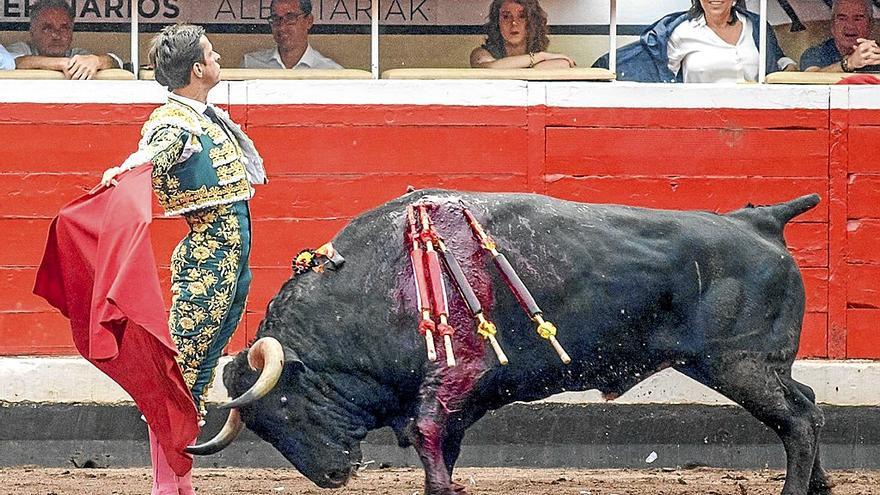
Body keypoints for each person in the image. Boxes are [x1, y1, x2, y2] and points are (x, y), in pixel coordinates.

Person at [100, 23, 267, 495]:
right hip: (207, 260)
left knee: (198, 369)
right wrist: (127, 167)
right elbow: (157, 149)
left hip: (230, 262)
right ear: (197, 69)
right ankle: (167, 484)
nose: (218, 59)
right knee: (181, 375)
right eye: (211, 54)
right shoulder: (176, 121)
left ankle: (177, 482)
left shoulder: (202, 116)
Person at [593, 0, 795, 82]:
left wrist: (790, 67)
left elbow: (775, 62)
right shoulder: (680, 31)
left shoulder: (757, 26)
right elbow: (650, 66)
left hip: (756, 124)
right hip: (698, 126)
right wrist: (599, 72)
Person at [7, 0, 121, 79]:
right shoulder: (22, 49)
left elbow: (117, 61)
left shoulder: (76, 54)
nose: (56, 35)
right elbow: (14, 61)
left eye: (64, 28)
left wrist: (97, 61)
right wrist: (62, 63)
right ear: (32, 32)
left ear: (71, 32)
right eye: (48, 28)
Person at [470, 0, 575, 69]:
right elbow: (491, 68)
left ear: (532, 21)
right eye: (506, 16)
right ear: (497, 22)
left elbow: (563, 64)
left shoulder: (541, 57)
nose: (514, 23)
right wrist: (541, 57)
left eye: (522, 16)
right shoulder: (480, 53)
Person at [242, 0, 342, 69]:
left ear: (309, 21)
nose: (282, 27)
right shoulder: (250, 64)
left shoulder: (330, 71)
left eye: (290, 18)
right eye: (276, 19)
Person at [800, 0, 880, 72]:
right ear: (832, 24)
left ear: (870, 24)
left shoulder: (877, 52)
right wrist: (849, 63)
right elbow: (811, 79)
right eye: (842, 18)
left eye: (858, 19)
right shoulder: (816, 53)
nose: (850, 25)